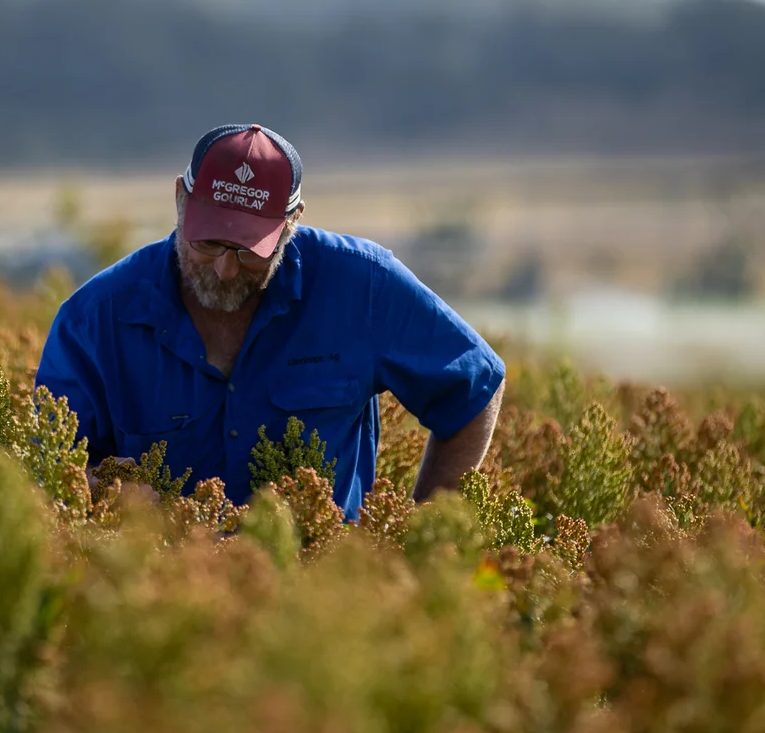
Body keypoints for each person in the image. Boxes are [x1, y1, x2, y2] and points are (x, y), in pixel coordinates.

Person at [35, 124, 505, 518]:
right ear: (180, 200)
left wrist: (415, 537)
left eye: (250, 251)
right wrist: (102, 489)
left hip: (322, 598)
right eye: (208, 244)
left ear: (293, 222)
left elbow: (476, 388)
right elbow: (47, 467)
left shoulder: (364, 287)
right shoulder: (93, 320)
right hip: (160, 602)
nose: (225, 269)